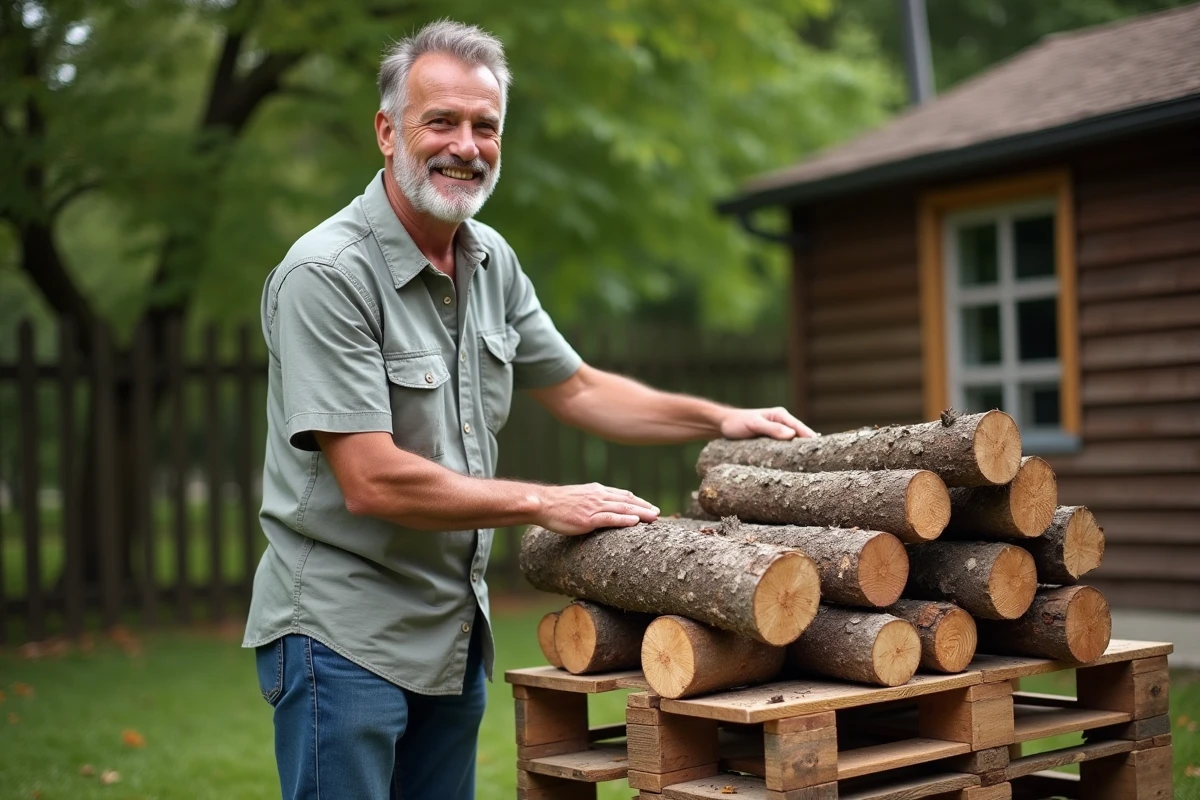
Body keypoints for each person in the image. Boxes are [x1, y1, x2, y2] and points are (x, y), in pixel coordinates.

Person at [242, 19, 817, 800]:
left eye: (486, 126)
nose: (465, 145)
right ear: (387, 131)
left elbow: (577, 387)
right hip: (340, 639)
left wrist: (720, 420)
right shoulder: (326, 275)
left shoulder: (490, 258)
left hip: (449, 635)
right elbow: (371, 480)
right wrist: (546, 501)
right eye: (440, 121)